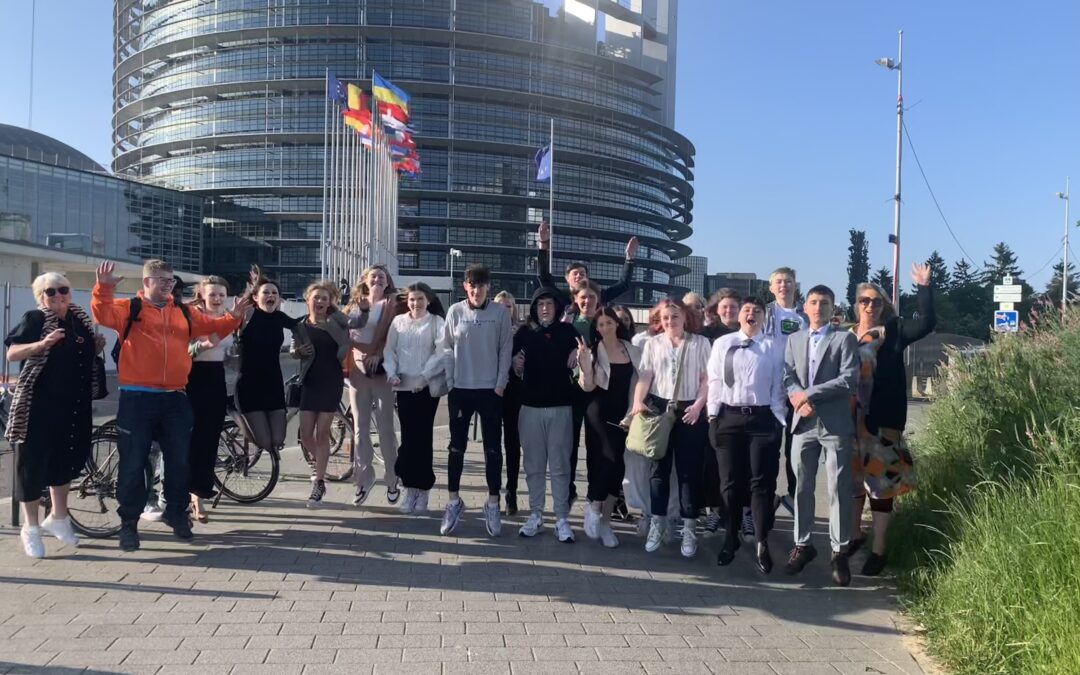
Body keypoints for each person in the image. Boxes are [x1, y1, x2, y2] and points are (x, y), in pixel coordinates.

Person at [92, 259, 248, 552]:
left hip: (175, 396)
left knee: (179, 460)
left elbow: (215, 326)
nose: (168, 285)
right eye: (162, 280)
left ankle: (176, 513)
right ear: (147, 282)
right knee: (133, 463)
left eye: (171, 281)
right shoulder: (130, 309)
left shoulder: (184, 313)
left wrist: (235, 316)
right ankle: (129, 524)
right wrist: (104, 288)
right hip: (137, 397)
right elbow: (102, 312)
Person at [5, 273, 106, 557]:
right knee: (32, 464)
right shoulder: (35, 319)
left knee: (68, 457)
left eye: (64, 290)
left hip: (72, 402)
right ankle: (31, 527)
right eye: (51, 292)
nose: (59, 296)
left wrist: (95, 347)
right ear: (41, 296)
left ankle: (59, 517)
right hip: (38, 404)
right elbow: (12, 353)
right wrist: (41, 344)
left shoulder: (79, 320)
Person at [848, 264, 935, 576]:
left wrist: (924, 287)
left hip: (882, 422)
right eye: (864, 301)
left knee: (881, 489)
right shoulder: (845, 336)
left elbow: (926, 323)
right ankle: (854, 536)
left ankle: (879, 550)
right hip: (849, 424)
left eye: (876, 301)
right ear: (856, 304)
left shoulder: (894, 332)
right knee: (853, 484)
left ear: (884, 304)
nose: (870, 306)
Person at [782, 285, 860, 586]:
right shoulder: (794, 339)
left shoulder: (844, 339)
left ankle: (839, 552)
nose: (817, 307)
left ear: (832, 308)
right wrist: (795, 399)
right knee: (802, 486)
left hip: (835, 424)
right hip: (803, 423)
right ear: (805, 307)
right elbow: (787, 376)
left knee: (839, 488)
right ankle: (803, 544)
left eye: (824, 303)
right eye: (813, 302)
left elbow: (848, 380)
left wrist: (808, 394)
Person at [707, 296, 786, 572]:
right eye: (747, 310)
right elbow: (715, 380)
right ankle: (730, 538)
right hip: (728, 417)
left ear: (764, 318)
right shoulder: (722, 343)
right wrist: (712, 415)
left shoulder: (774, 347)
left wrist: (779, 420)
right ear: (739, 316)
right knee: (728, 483)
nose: (752, 314)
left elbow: (779, 385)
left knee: (760, 485)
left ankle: (762, 543)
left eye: (757, 311)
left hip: (762, 419)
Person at [631, 298, 711, 558]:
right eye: (665, 318)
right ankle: (657, 523)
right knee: (658, 469)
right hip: (659, 407)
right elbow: (645, 376)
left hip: (690, 409)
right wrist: (637, 403)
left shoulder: (700, 343)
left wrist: (700, 404)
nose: (670, 322)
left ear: (684, 317)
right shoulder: (653, 344)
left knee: (689, 470)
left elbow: (707, 378)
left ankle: (689, 528)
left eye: (674, 317)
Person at [440, 264, 513, 537]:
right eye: (472, 285)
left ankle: (493, 502)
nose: (477, 290)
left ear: (488, 288)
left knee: (493, 450)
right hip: (460, 388)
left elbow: (506, 348)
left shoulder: (499, 314)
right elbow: (446, 346)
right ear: (465, 287)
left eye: (482, 286)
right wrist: (450, 381)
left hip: (490, 391)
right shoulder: (455, 311)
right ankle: (453, 501)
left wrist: (500, 383)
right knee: (455, 449)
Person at [512, 286, 581, 542]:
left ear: (556, 307)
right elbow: (510, 359)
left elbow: (585, 351)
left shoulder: (567, 331)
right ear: (534, 308)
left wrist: (578, 352)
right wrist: (514, 363)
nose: (544, 309)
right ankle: (536, 515)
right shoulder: (524, 333)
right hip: (530, 408)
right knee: (533, 466)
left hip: (561, 407)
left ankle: (562, 518)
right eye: (540, 304)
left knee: (561, 466)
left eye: (549, 304)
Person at [383, 283, 448, 516]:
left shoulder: (437, 323)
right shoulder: (398, 322)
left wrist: (424, 376)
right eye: (412, 299)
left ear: (428, 300)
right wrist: (391, 372)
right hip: (403, 387)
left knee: (422, 438)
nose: (415, 303)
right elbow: (389, 351)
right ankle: (410, 489)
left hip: (425, 388)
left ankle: (424, 489)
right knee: (409, 439)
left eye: (420, 299)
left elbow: (442, 352)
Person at [577, 306, 640, 548]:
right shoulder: (593, 350)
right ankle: (593, 503)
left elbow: (640, 380)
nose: (605, 328)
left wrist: (633, 412)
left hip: (623, 414)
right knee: (607, 459)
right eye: (600, 324)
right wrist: (584, 364)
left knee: (617, 467)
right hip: (598, 411)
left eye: (608, 323)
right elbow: (588, 387)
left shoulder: (632, 349)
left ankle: (605, 522)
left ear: (616, 324)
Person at [291, 282, 352, 507]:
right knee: (306, 435)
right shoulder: (300, 326)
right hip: (309, 381)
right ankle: (322, 467)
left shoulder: (336, 322)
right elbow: (292, 348)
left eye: (325, 299)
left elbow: (350, 335)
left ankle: (319, 481)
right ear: (308, 299)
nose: (320, 302)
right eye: (316, 298)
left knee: (323, 432)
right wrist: (296, 352)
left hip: (331, 380)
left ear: (330, 303)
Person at [345, 265, 402, 506]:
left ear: (387, 281)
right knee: (360, 429)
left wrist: (378, 352)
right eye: (373, 276)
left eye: (382, 276)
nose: (378, 279)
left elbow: (398, 334)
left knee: (386, 429)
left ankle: (392, 479)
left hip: (381, 370)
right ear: (365, 281)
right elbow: (346, 334)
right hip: (357, 372)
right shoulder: (355, 305)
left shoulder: (394, 305)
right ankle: (364, 479)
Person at [234, 266, 300, 466]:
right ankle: (235, 417)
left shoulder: (279, 318)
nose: (271, 296)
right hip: (249, 385)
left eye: (275, 293)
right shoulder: (248, 315)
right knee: (264, 442)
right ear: (256, 297)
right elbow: (235, 314)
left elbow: (301, 324)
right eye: (266, 292)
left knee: (278, 440)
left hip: (273, 384)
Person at [185, 276, 234, 523]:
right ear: (202, 294)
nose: (217, 299)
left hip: (216, 378)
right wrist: (204, 345)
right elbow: (182, 351)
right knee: (189, 438)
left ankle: (199, 493)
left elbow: (229, 354)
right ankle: (185, 495)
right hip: (191, 377)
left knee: (209, 438)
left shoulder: (231, 317)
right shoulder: (191, 315)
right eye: (212, 294)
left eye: (221, 295)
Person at [763, 267, 809, 529]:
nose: (783, 286)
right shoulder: (764, 312)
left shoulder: (805, 315)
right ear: (771, 287)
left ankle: (794, 498)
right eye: (779, 282)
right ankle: (766, 498)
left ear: (795, 285)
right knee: (768, 450)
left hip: (797, 392)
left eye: (788, 281)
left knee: (796, 450)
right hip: (769, 392)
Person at [535, 219, 639, 319]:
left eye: (582, 273)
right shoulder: (560, 296)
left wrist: (629, 258)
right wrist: (543, 244)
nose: (579, 276)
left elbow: (623, 284)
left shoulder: (598, 295)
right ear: (567, 278)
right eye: (575, 273)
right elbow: (543, 277)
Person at [699, 288, 742, 531]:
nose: (728, 311)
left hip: (739, 405)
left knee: (738, 462)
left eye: (733, 307)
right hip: (712, 405)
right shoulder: (705, 335)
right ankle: (714, 510)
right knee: (712, 461)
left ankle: (737, 510)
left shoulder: (747, 333)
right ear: (716, 309)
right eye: (724, 307)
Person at [494, 290, 523, 515]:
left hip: (514, 393)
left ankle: (511, 491)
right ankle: (493, 491)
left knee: (512, 444)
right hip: (492, 392)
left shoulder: (521, 332)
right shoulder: (488, 330)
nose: (505, 309)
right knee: (492, 446)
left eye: (509, 306)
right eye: (501, 305)